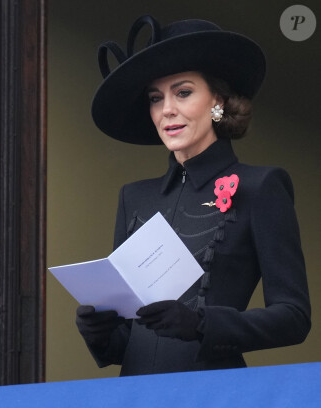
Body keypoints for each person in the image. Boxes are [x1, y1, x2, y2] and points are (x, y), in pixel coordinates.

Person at [75, 15, 311, 376]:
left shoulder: (262, 187)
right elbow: (130, 341)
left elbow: (294, 317)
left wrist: (203, 323)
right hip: (134, 395)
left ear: (218, 101)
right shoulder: (133, 197)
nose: (167, 108)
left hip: (213, 391)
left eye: (183, 92)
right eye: (156, 98)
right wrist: (100, 332)